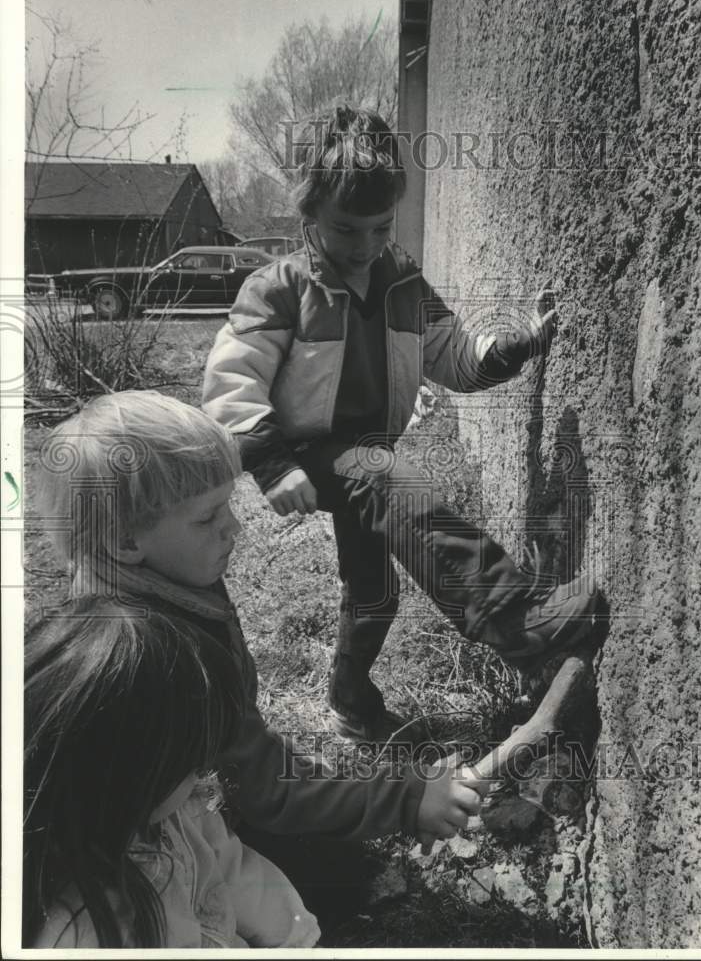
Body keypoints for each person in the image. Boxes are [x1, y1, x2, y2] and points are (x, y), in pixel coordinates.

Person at [202, 102, 601, 744]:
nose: (363, 247)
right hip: (310, 453)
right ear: (308, 215)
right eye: (344, 230)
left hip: (366, 454)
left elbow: (454, 357)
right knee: (386, 474)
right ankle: (518, 623)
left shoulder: (401, 281)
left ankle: (350, 701)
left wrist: (515, 346)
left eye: (379, 228)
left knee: (374, 592)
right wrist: (271, 463)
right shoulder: (278, 289)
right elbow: (231, 382)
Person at [35, 390, 485, 924]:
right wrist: (409, 798)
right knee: (319, 893)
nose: (235, 526)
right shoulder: (169, 662)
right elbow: (265, 788)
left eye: (229, 503)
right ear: (126, 540)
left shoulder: (152, 577)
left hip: (171, 804)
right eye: (207, 518)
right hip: (138, 851)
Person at [23, 598, 321, 949]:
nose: (204, 778)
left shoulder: (177, 812)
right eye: (193, 766)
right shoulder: (78, 933)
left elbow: (238, 873)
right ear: (127, 780)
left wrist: (300, 940)